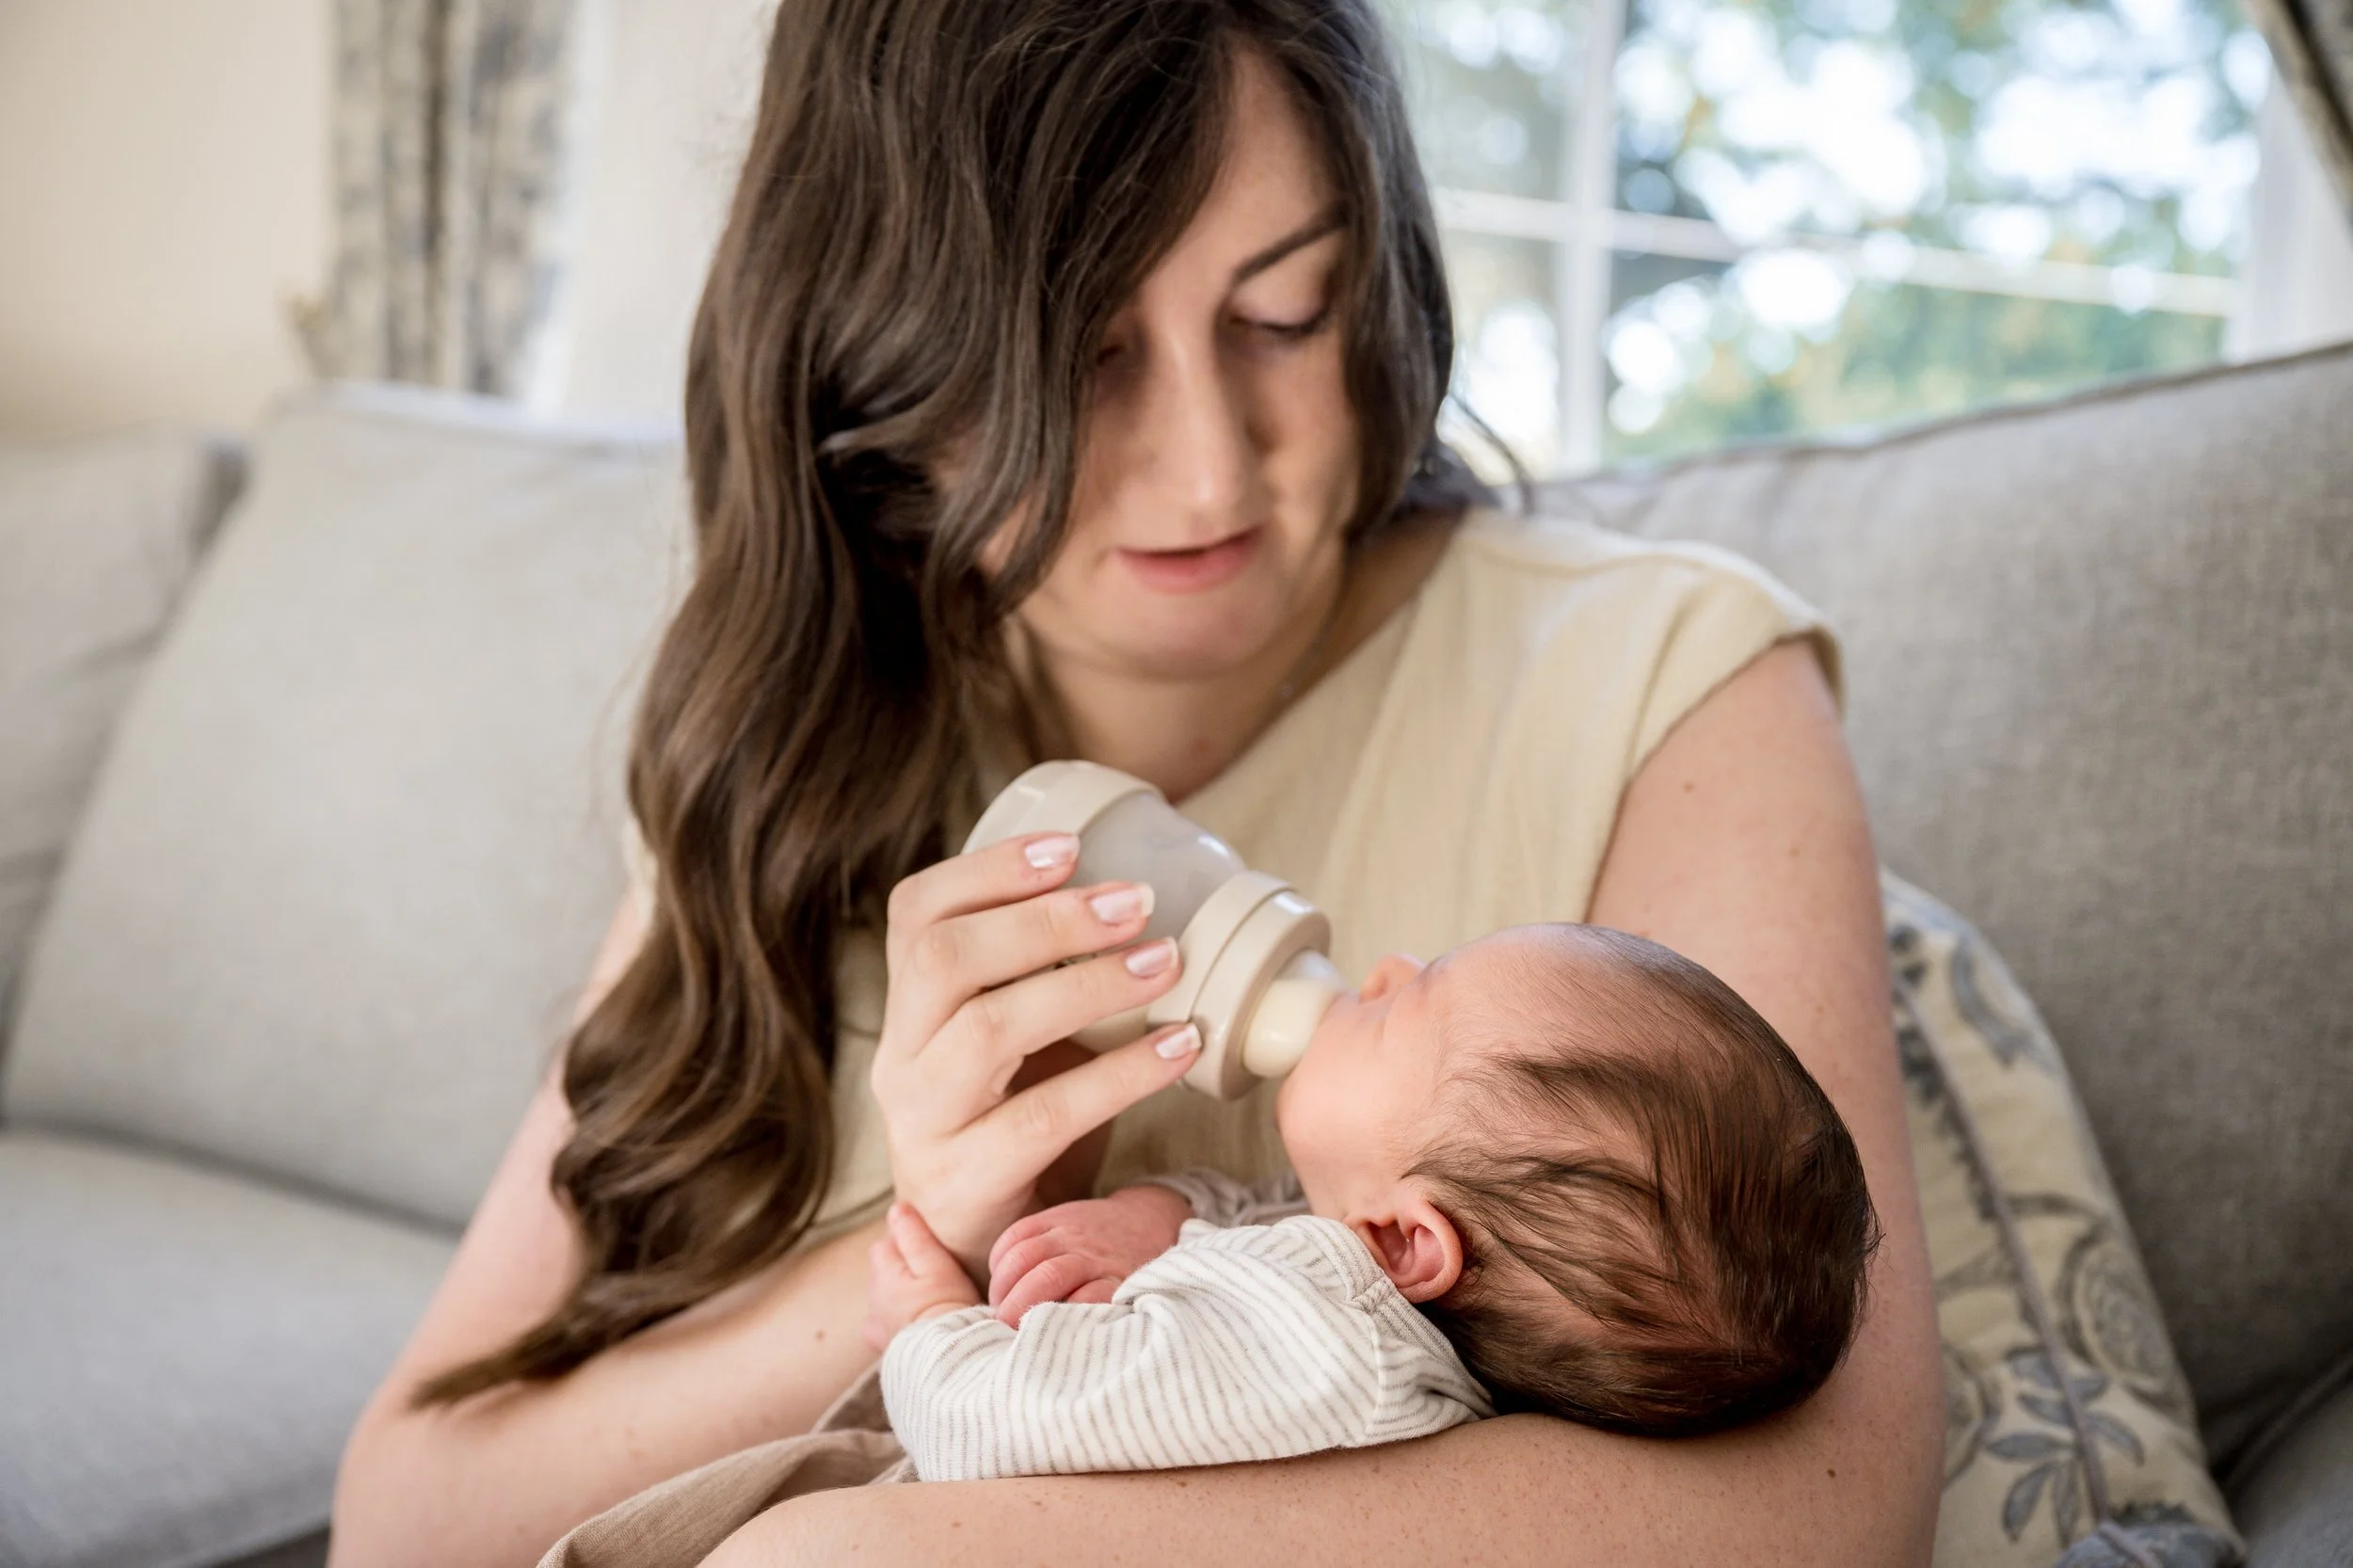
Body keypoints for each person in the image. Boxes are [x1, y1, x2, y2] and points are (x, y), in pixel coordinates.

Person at [328, 0, 1945, 1563]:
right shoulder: (792, 754)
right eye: (1085, 355)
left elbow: (1820, 1512)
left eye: (1283, 312)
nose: (1209, 468)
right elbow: (405, 1528)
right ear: (873, 367)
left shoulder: (1663, 684)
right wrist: (943, 1237)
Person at [869, 923, 1882, 1480]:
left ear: (1408, 1241)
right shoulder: (1367, 1310)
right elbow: (1273, 1226)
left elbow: (992, 1429)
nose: (1387, 964)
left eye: (1411, 1000)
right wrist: (1164, 1222)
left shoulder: (1319, 1351)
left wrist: (933, 1323)